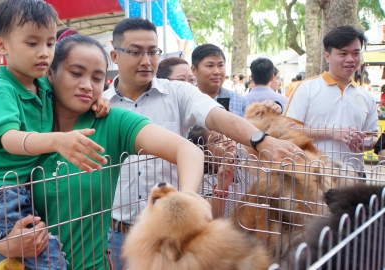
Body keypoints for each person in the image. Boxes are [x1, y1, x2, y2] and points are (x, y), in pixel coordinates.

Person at [0, 30, 205, 270]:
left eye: (97, 78)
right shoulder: (24, 123)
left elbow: (188, 151)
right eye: (76, 73)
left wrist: (187, 199)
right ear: (50, 74)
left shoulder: (111, 122)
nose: (86, 85)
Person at [104, 17, 299, 269]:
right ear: (115, 55)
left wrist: (260, 139)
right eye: (136, 52)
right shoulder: (100, 103)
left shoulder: (177, 92)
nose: (146, 60)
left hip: (174, 235)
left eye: (153, 52)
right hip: (116, 232)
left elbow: (218, 116)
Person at [0, 2, 111, 269]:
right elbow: (10, 139)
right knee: (45, 256)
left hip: (16, 186)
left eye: (50, 44)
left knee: (26, 255)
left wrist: (99, 101)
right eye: (32, 43)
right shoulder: (1, 90)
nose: (44, 53)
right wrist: (57, 140)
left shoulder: (41, 82)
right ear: (1, 45)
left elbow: (73, 90)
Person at [284, 25, 378, 173]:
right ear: (327, 57)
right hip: (314, 178)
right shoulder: (306, 88)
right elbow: (288, 130)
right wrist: (332, 132)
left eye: (356, 53)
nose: (350, 59)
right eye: (343, 53)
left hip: (353, 179)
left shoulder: (367, 97)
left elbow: (372, 139)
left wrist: (362, 142)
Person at [191, 44, 248, 117]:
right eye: (210, 66)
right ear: (194, 69)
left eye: (220, 65)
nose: (217, 72)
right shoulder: (185, 101)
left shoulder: (240, 102)